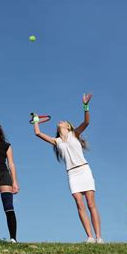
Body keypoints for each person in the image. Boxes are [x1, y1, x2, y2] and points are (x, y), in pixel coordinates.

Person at [32, 94, 103, 244]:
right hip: (72, 174)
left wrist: (85, 105)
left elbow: (87, 122)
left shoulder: (74, 134)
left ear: (68, 126)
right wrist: (36, 120)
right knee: (79, 203)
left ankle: (99, 237)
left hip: (84, 170)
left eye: (63, 121)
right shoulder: (56, 141)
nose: (60, 122)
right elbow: (37, 133)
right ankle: (90, 237)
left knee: (91, 203)